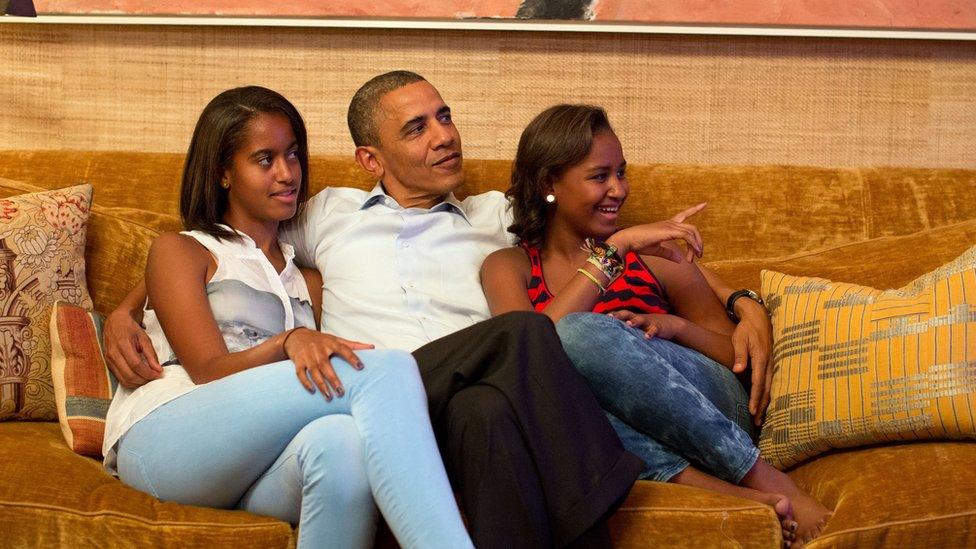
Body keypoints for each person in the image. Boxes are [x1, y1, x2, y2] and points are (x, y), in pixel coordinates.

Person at [103, 73, 645, 548]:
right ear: (371, 158)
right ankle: (605, 481)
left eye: (445, 117)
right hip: (295, 404)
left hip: (423, 411)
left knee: (462, 418)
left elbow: (579, 209)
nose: (443, 136)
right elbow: (201, 257)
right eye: (416, 128)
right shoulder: (325, 215)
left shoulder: (487, 218)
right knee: (489, 342)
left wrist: (732, 300)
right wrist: (124, 312)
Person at [102, 86, 474, 549]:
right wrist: (288, 340)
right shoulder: (183, 250)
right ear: (223, 173)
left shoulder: (308, 281)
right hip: (167, 439)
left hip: (257, 458)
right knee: (388, 368)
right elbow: (208, 372)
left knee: (342, 445)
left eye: (293, 155)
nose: (287, 173)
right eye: (265, 160)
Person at [480, 104, 832, 546]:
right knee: (548, 390)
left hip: (712, 411)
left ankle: (767, 477)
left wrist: (673, 328)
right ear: (549, 183)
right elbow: (529, 356)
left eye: (621, 173)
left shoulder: (654, 256)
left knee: (580, 334)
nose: (618, 190)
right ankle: (725, 494)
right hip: (610, 429)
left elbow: (734, 358)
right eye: (599, 176)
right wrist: (613, 252)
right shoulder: (508, 266)